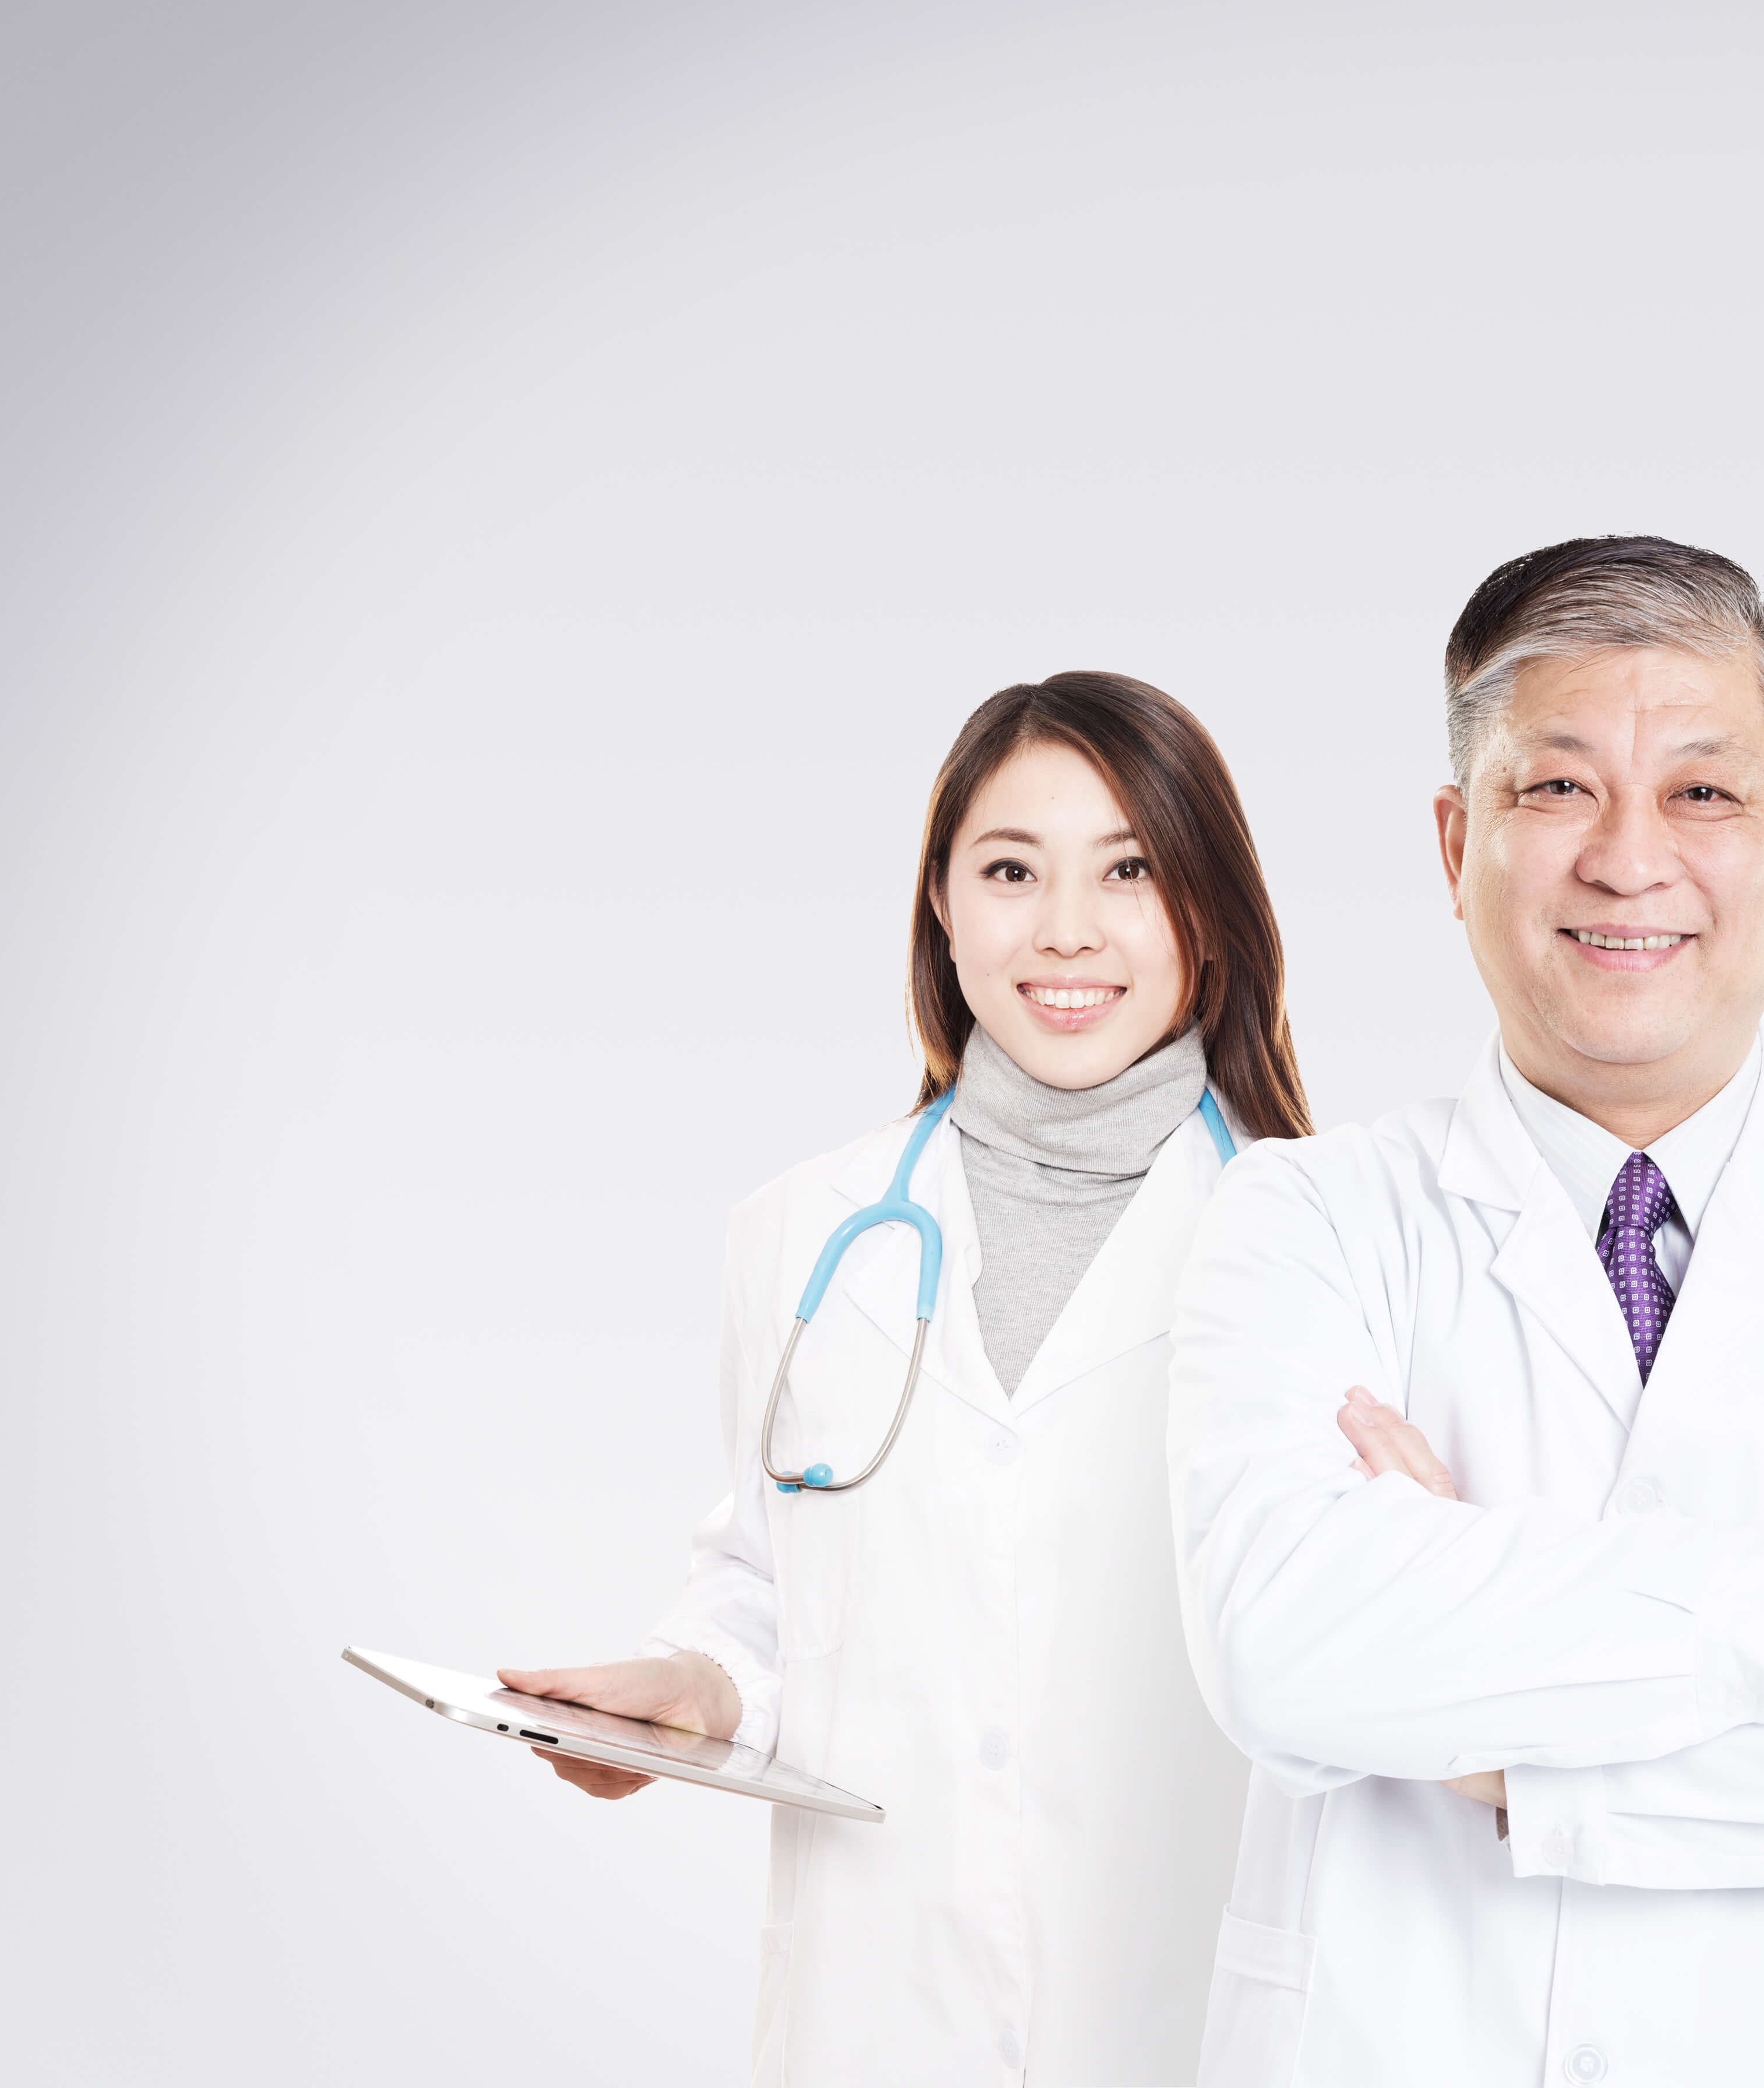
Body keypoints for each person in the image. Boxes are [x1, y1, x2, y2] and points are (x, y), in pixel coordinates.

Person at [1168, 536, 1764, 2088]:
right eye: (1557, 787)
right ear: (1455, 842)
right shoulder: (1305, 1217)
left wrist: (1495, 1745)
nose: (1629, 861)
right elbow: (1286, 1651)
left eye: (1703, 793)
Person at [502, 672, 1312, 2086]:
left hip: (1196, 2027)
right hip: (876, 2022)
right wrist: (694, 1690)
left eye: (1128, 870)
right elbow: (772, 1586)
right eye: (1011, 871)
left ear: (1208, 905)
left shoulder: (1330, 1245)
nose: (1067, 929)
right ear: (941, 902)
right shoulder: (799, 1235)